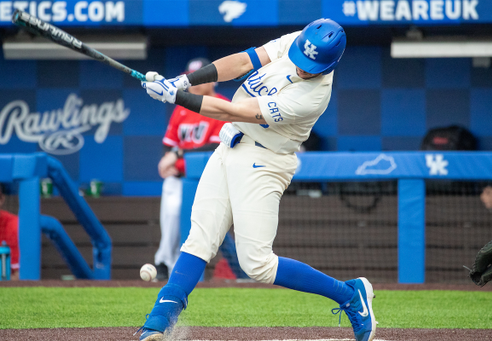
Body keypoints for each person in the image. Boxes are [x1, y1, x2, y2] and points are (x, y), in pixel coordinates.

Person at [138, 18, 376, 341]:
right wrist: (184, 81)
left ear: (329, 64)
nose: (303, 67)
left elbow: (237, 110)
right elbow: (241, 62)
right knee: (199, 237)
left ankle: (350, 295)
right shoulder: (299, 41)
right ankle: (158, 322)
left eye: (311, 66)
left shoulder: (312, 96)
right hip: (229, 145)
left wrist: (177, 97)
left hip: (264, 161)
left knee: (257, 264)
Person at [154, 57, 229, 280]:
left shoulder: (223, 105)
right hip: (180, 176)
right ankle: (164, 262)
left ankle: (184, 265)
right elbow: (168, 143)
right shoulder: (183, 107)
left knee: (208, 224)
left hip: (210, 177)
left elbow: (215, 146)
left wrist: (176, 155)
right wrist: (168, 161)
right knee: (172, 211)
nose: (195, 82)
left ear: (213, 79)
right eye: (192, 76)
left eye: (201, 76)